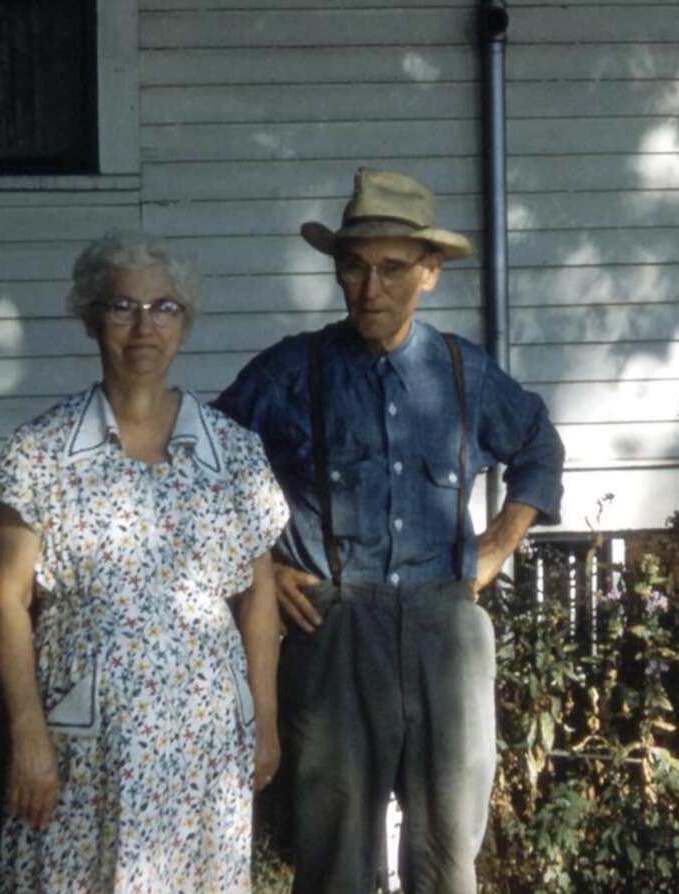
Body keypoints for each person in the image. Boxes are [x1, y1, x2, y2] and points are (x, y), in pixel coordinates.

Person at [214, 168, 565, 893]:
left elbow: (537, 445)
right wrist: (264, 570)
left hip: (446, 624)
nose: (370, 288)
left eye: (393, 268)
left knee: (446, 856)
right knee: (334, 851)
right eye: (353, 267)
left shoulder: (464, 373)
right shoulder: (290, 371)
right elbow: (200, 475)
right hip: (333, 627)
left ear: (430, 272)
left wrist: (500, 542)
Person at [0, 231, 288, 892]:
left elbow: (259, 595)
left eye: (165, 308)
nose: (145, 326)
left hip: (205, 742)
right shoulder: (41, 453)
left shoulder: (233, 456)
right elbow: (4, 599)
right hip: (86, 745)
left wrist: (264, 716)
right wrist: (28, 732)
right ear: (93, 318)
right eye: (124, 306)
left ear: (185, 321)